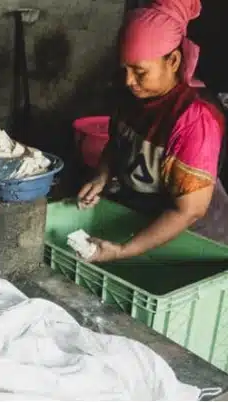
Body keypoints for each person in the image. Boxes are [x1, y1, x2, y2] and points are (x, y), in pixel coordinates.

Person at [77, 0, 228, 262]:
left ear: (173, 60)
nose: (129, 81)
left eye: (140, 71)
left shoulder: (194, 118)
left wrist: (125, 251)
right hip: (145, 225)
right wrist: (102, 176)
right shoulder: (131, 95)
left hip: (194, 245)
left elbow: (188, 211)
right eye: (125, 69)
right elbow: (117, 142)